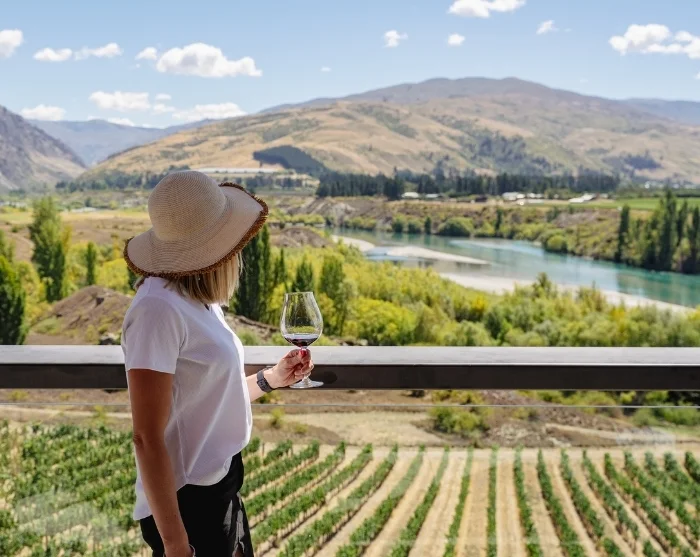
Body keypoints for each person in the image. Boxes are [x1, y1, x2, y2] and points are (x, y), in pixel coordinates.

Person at [121, 171, 314, 557]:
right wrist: (176, 545)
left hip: (220, 488)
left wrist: (272, 378)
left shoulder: (196, 299)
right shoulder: (157, 310)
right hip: (188, 506)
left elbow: (209, 401)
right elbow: (146, 437)